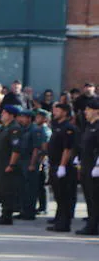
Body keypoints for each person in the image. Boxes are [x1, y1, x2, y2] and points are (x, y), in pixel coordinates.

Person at [46, 102, 78, 232]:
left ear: (64, 112)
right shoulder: (57, 126)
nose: (55, 113)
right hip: (54, 164)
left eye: (57, 111)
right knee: (58, 196)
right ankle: (59, 221)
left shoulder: (68, 128)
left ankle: (64, 224)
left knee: (65, 196)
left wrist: (62, 166)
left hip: (63, 166)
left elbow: (67, 149)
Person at [0, 104, 25, 225]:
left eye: (4, 113)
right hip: (0, 163)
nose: (2, 115)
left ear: (11, 115)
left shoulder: (14, 128)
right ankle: (4, 213)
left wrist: (11, 164)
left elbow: (16, 148)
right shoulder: (3, 128)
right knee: (2, 189)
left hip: (7, 164)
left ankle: (7, 215)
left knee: (8, 190)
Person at [75, 97, 99, 235]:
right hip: (86, 166)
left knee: (95, 198)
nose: (85, 112)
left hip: (95, 167)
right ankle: (92, 223)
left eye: (88, 109)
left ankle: (93, 225)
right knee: (89, 197)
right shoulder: (89, 126)